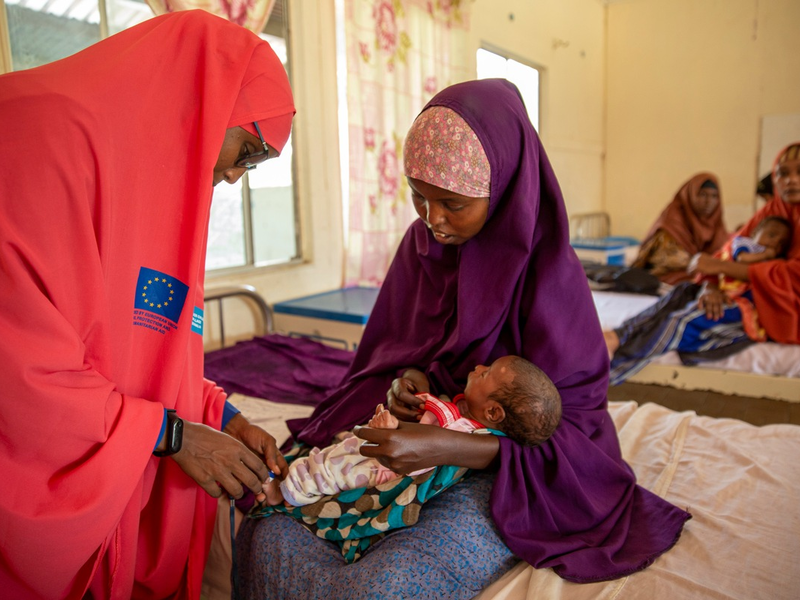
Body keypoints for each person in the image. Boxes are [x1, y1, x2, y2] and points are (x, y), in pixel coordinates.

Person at [236, 79, 690, 599]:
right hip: (420, 438)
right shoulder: (422, 245)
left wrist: (453, 445)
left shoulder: (548, 274)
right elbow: (396, 350)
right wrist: (407, 381)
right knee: (269, 533)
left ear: (503, 190)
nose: (433, 220)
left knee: (387, 585)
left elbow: (570, 425)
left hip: (505, 469)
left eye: (452, 203)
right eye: (418, 197)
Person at [0, 11, 295, 599]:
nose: (237, 177)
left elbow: (144, 348)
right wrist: (172, 435)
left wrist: (219, 414)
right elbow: (23, 376)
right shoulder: (38, 138)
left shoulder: (159, 185)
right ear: (207, 102)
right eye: (251, 151)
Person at [605, 144, 800, 383]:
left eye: (799, 172)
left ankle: (606, 371)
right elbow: (724, 253)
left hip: (776, 309)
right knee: (683, 291)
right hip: (734, 288)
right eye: (783, 173)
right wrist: (710, 285)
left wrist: (719, 269)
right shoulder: (773, 211)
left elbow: (791, 275)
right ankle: (616, 336)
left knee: (681, 320)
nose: (791, 180)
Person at [261, 356, 562, 506]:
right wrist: (414, 383)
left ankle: (286, 492)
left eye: (484, 374)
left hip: (387, 469)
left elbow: (427, 455)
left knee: (334, 469)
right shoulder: (464, 412)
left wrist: (392, 426)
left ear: (494, 412)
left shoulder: (466, 432)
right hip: (388, 447)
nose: (478, 366)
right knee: (338, 452)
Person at [631, 173, 729, 285]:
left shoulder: (716, 222)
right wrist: (709, 267)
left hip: (702, 276)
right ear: (690, 195)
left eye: (714, 196)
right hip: (669, 277)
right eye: (702, 195)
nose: (708, 201)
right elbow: (670, 261)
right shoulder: (672, 221)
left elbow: (724, 255)